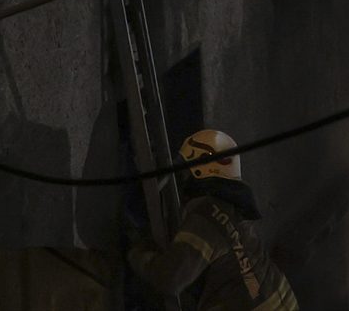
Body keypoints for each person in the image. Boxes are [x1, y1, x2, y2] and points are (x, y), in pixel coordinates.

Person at [128, 129, 299, 311]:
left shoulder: (207, 215)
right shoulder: (233, 208)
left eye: (185, 170)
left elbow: (170, 279)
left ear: (199, 170)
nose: (183, 177)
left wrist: (138, 252)